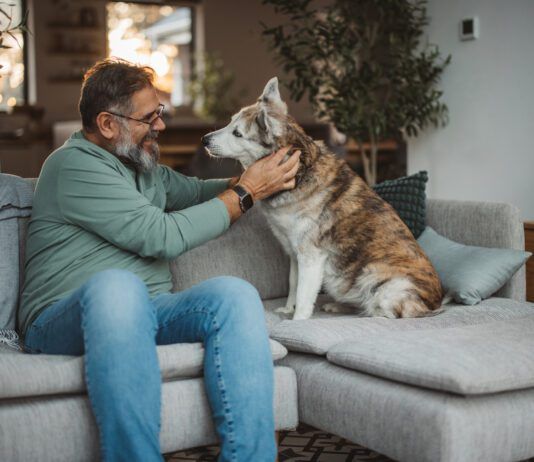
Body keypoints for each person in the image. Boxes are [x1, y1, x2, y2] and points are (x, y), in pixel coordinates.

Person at [18, 58, 301, 462]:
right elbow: (160, 236)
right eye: (149, 117)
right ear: (107, 124)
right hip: (60, 319)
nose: (161, 126)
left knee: (234, 296)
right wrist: (246, 194)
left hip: (150, 311)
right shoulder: (72, 166)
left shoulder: (141, 165)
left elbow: (193, 191)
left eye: (160, 113)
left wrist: (258, 178)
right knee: (118, 286)